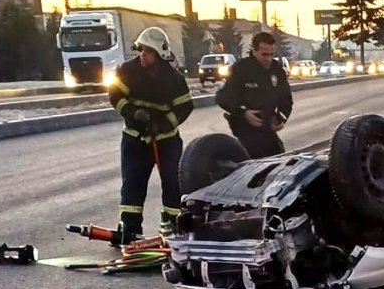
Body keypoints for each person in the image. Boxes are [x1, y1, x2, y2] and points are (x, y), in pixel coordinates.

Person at [109, 26, 194, 243]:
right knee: (133, 185)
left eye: (147, 51)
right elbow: (115, 95)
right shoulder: (128, 71)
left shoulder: (173, 79)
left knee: (173, 184)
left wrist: (163, 125)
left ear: (159, 53)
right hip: (135, 138)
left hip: (166, 141)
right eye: (141, 50)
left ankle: (172, 228)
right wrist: (132, 112)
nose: (142, 55)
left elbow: (185, 107)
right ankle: (130, 230)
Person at [214, 32, 292, 159]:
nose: (268, 58)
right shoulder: (241, 69)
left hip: (268, 128)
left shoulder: (277, 70)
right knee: (253, 166)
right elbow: (223, 98)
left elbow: (286, 99)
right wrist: (243, 112)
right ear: (254, 51)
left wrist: (281, 118)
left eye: (272, 54)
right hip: (246, 131)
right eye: (264, 54)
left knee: (280, 162)